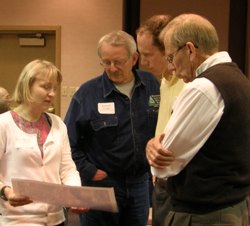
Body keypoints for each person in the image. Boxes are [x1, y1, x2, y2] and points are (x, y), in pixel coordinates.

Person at [146, 13, 250, 225]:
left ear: (190, 50)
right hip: (233, 207)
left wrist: (153, 146)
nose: (171, 67)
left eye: (170, 57)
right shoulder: (238, 78)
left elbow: (164, 166)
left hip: (203, 215)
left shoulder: (203, 88)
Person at [64, 30, 160, 226]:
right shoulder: (87, 93)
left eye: (118, 62)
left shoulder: (152, 85)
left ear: (134, 58)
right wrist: (88, 170)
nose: (112, 68)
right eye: (106, 62)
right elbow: (67, 142)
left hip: (139, 183)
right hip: (101, 185)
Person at [0, 59, 87, 226]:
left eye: (54, 88)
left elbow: (67, 169)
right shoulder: (3, 124)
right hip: (17, 219)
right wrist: (7, 192)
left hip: (56, 218)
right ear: (27, 85)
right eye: (46, 87)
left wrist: (76, 194)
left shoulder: (58, 123)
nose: (52, 93)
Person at [136, 15, 185, 226]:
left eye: (148, 55)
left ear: (167, 50)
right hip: (162, 181)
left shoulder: (189, 84)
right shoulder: (165, 81)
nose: (143, 63)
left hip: (179, 183)